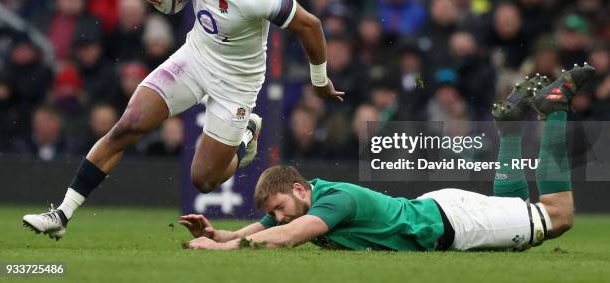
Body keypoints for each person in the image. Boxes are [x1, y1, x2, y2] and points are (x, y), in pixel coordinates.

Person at [23, 0, 344, 240]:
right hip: (195, 58)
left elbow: (310, 25)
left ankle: (247, 135)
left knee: (204, 181)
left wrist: (320, 80)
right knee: (127, 126)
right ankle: (62, 213)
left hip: (236, 83)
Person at [181, 64, 594, 251]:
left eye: (280, 207)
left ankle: (555, 109)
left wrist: (225, 251)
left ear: (298, 188)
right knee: (518, 209)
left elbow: (286, 235)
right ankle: (509, 133)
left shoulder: (333, 201)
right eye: (277, 212)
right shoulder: (306, 199)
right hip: (441, 212)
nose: (280, 217)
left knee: (558, 217)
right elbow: (267, 226)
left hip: (454, 224)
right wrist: (221, 235)